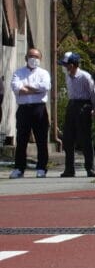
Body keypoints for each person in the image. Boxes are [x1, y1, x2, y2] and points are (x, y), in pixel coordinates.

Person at [9, 48, 52, 178]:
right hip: (23, 109)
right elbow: (16, 87)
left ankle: (41, 168)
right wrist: (35, 89)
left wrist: (27, 87)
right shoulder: (18, 72)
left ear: (40, 59)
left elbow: (45, 87)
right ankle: (19, 168)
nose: (34, 59)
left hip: (39, 109)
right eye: (31, 56)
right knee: (21, 140)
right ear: (26, 58)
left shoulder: (44, 73)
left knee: (41, 140)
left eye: (36, 57)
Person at [58, 52, 95, 178]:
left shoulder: (85, 77)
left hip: (83, 105)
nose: (64, 67)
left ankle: (90, 168)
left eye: (66, 64)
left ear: (73, 65)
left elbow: (92, 93)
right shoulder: (68, 76)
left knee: (85, 138)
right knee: (68, 139)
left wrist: (94, 109)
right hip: (72, 105)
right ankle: (69, 168)